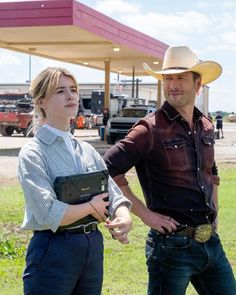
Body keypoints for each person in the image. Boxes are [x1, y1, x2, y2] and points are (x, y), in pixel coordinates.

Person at [104, 46, 236, 295]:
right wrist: (145, 214)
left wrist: (215, 211)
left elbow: (211, 170)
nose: (173, 85)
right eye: (168, 78)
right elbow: (107, 169)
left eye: (181, 77)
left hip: (210, 242)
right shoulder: (148, 130)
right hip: (171, 247)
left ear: (198, 85)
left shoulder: (205, 125)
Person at [18, 67, 132, 295]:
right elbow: (49, 213)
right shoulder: (33, 153)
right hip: (52, 249)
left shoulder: (88, 150)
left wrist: (124, 217)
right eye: (60, 91)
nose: (71, 96)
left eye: (73, 90)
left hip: (92, 246)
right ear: (41, 101)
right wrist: (91, 207)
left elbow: (114, 196)